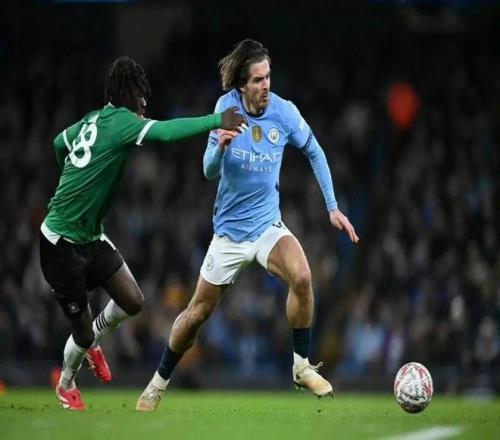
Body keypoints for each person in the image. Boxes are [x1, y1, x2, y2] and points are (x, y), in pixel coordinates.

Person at [136, 39, 359, 411]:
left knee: (303, 277)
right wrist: (219, 147)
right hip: (229, 234)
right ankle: (157, 384)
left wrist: (332, 207)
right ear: (242, 84)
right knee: (196, 315)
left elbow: (315, 150)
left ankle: (301, 366)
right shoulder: (226, 109)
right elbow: (208, 171)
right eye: (258, 79)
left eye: (268, 77)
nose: (266, 85)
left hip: (268, 226)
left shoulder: (284, 113)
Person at [39, 55, 246, 411]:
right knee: (82, 333)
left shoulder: (93, 119)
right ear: (126, 94)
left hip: (91, 236)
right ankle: (66, 385)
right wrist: (217, 120)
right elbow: (165, 133)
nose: (145, 103)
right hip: (60, 242)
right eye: (140, 95)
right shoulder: (122, 122)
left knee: (133, 301)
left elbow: (59, 143)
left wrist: (71, 179)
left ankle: (92, 343)